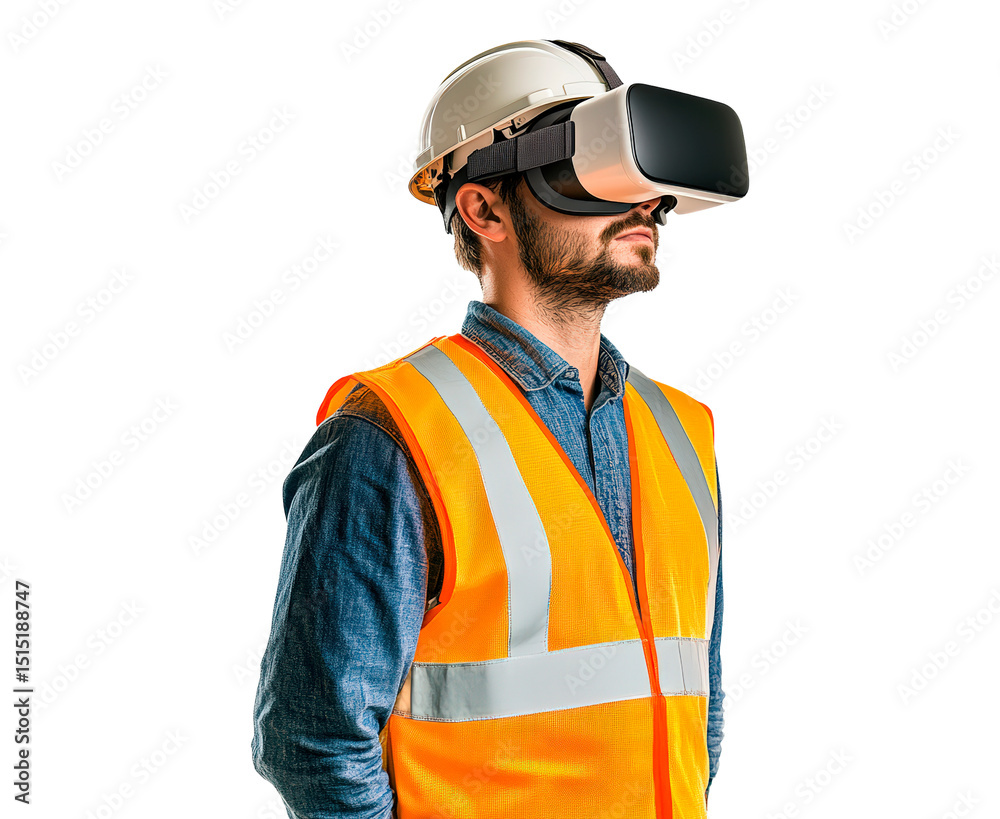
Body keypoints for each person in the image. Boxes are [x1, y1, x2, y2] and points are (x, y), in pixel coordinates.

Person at [252, 39, 737, 819]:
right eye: (598, 167)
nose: (645, 201)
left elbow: (695, 704)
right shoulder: (390, 432)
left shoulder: (684, 431)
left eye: (646, 179)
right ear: (484, 209)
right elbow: (312, 741)